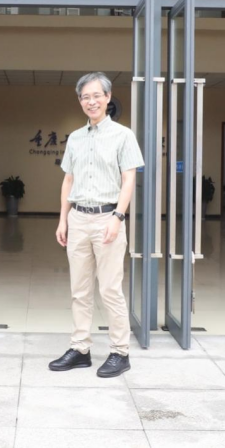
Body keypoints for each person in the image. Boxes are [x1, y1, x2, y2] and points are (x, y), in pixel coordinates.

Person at [51, 72, 144, 378]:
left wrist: (118, 216)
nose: (91, 101)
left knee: (110, 289)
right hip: (78, 218)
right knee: (79, 290)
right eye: (85, 97)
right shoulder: (76, 138)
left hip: (107, 218)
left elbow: (129, 179)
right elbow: (68, 180)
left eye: (96, 96)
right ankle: (80, 349)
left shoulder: (123, 135)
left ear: (107, 98)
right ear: (80, 101)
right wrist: (63, 219)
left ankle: (120, 352)